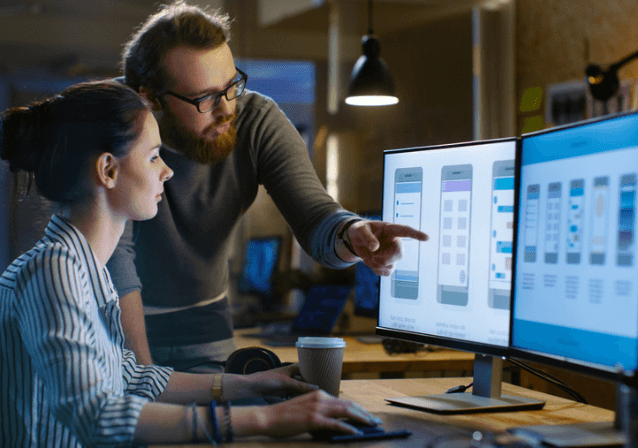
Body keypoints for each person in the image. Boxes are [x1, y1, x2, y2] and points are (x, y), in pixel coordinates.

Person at [0, 81, 381, 447]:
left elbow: (131, 377)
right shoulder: (53, 271)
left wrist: (255, 385)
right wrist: (264, 421)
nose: (167, 172)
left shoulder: (84, 267)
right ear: (109, 171)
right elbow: (97, 415)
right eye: (154, 155)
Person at [109, 0, 429, 371]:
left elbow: (314, 216)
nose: (227, 108)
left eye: (231, 86)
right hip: (115, 320)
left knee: (237, 418)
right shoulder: (109, 122)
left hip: (205, 323)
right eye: (205, 98)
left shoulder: (257, 121)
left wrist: (352, 232)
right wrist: (144, 377)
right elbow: (118, 261)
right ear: (149, 98)